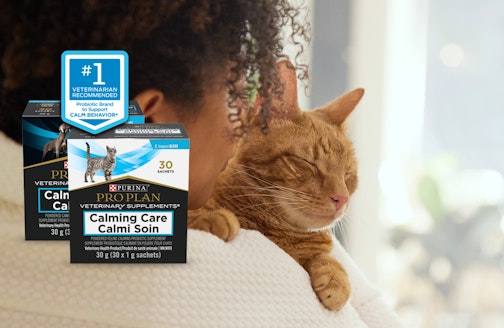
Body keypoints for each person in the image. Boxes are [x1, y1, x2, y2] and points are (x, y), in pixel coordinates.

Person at [0, 1, 403, 326]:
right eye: (235, 102)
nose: (246, 124)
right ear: (149, 120)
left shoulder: (49, 194)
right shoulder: (199, 273)